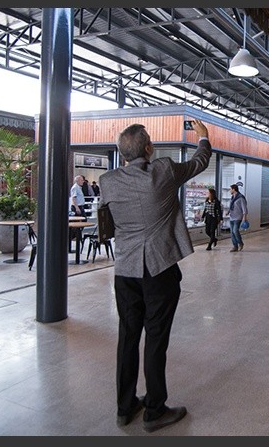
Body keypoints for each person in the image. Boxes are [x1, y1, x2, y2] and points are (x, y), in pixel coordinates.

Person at [99, 119, 210, 431]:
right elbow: (200, 162)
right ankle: (155, 410)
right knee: (155, 339)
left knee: (128, 337)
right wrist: (203, 138)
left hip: (125, 271)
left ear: (122, 155)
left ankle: (125, 407)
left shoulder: (108, 181)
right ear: (148, 148)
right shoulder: (164, 170)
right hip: (159, 270)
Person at [227, 183, 248, 252]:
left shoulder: (241, 197)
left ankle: (240, 243)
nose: (230, 191)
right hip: (232, 217)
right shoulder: (232, 197)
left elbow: (244, 208)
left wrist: (244, 218)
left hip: (238, 217)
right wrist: (228, 211)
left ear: (234, 189)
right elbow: (231, 206)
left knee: (235, 231)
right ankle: (235, 246)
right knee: (232, 233)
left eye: (230, 189)